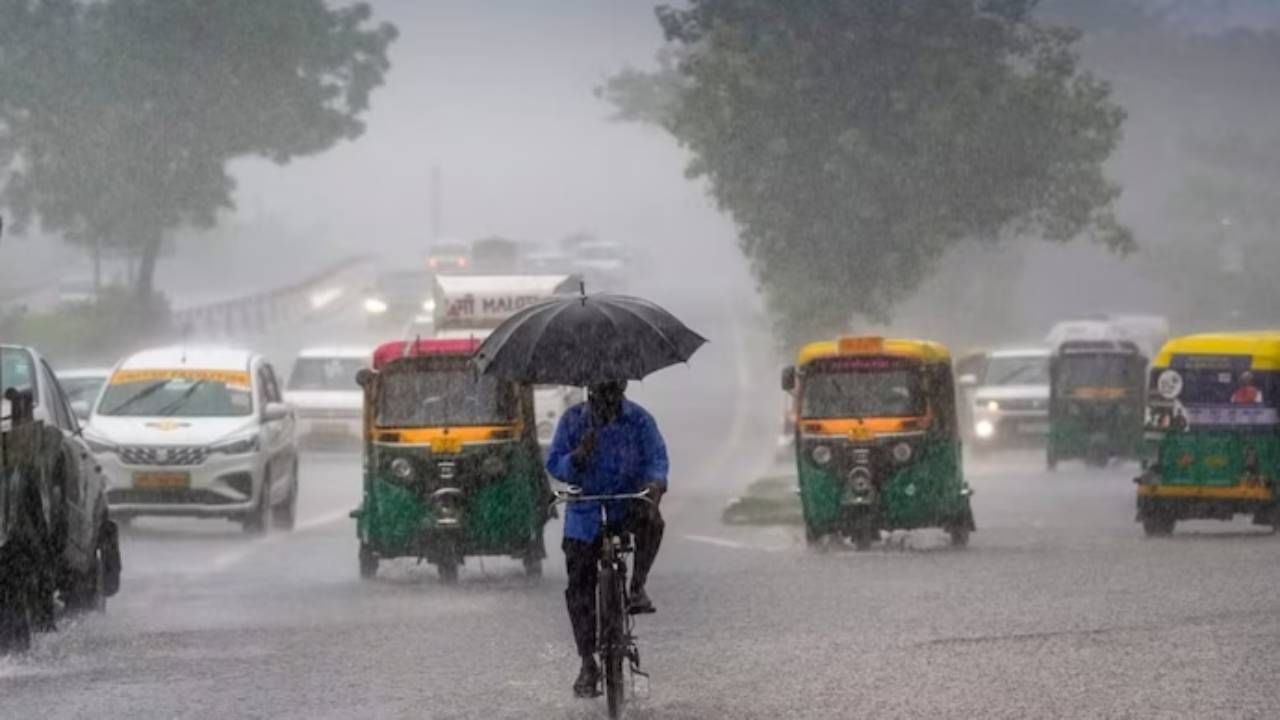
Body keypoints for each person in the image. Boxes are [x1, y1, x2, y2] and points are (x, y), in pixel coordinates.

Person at [545, 379, 668, 698]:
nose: (606, 401)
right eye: (600, 394)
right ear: (590, 392)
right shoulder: (573, 421)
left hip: (626, 503)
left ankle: (637, 586)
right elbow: (555, 463)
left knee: (653, 523)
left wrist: (655, 483)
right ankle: (588, 662)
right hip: (585, 512)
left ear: (622, 389)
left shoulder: (640, 420)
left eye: (612, 393)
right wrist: (577, 457)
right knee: (579, 588)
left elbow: (657, 458)